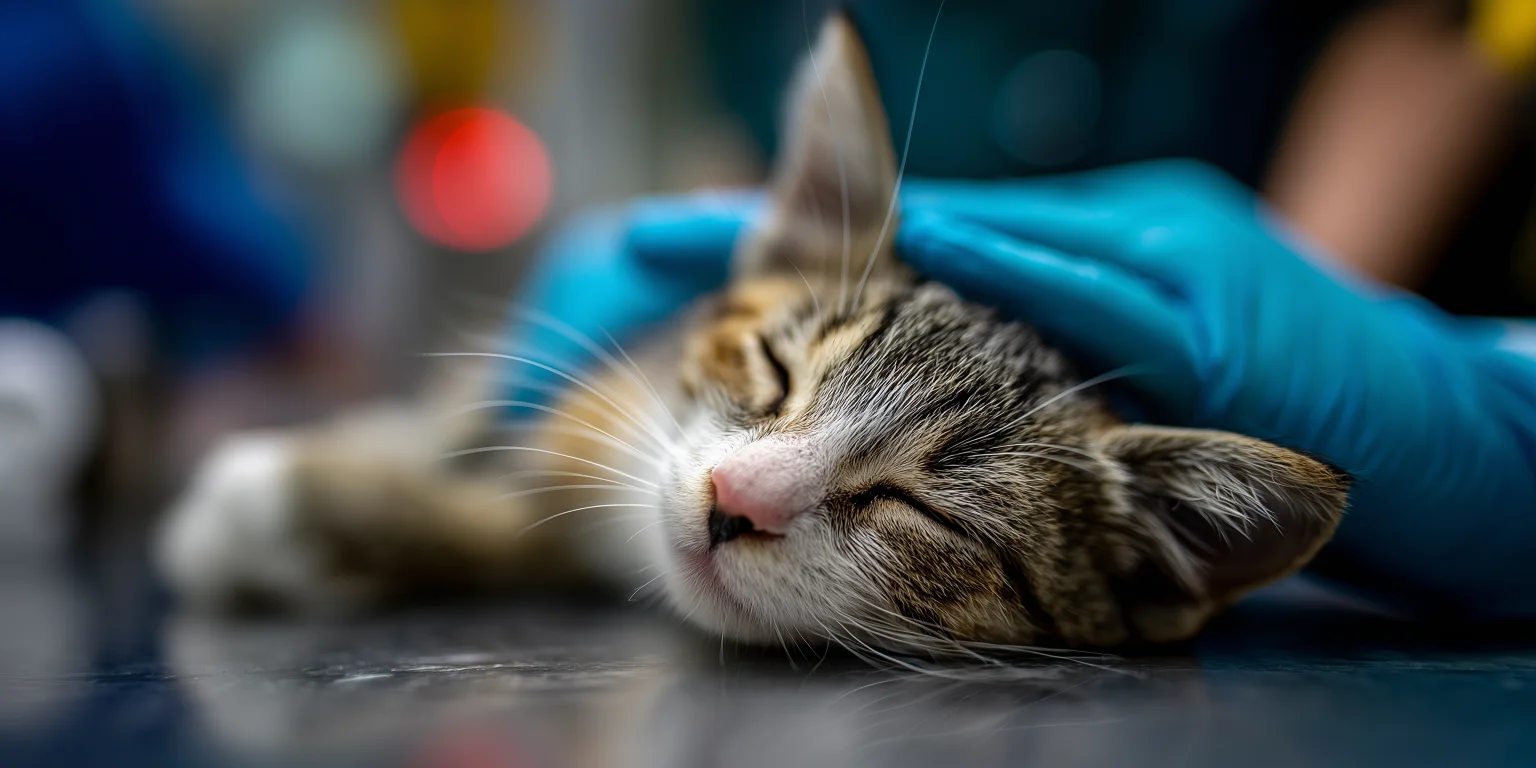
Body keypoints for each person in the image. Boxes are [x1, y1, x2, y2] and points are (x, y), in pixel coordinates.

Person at [500, 2, 1536, 618]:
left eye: (912, 509)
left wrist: (1324, 300)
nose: (740, 486)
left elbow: (1429, 30)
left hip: (1304, 300)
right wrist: (751, 262)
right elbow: (760, 125)